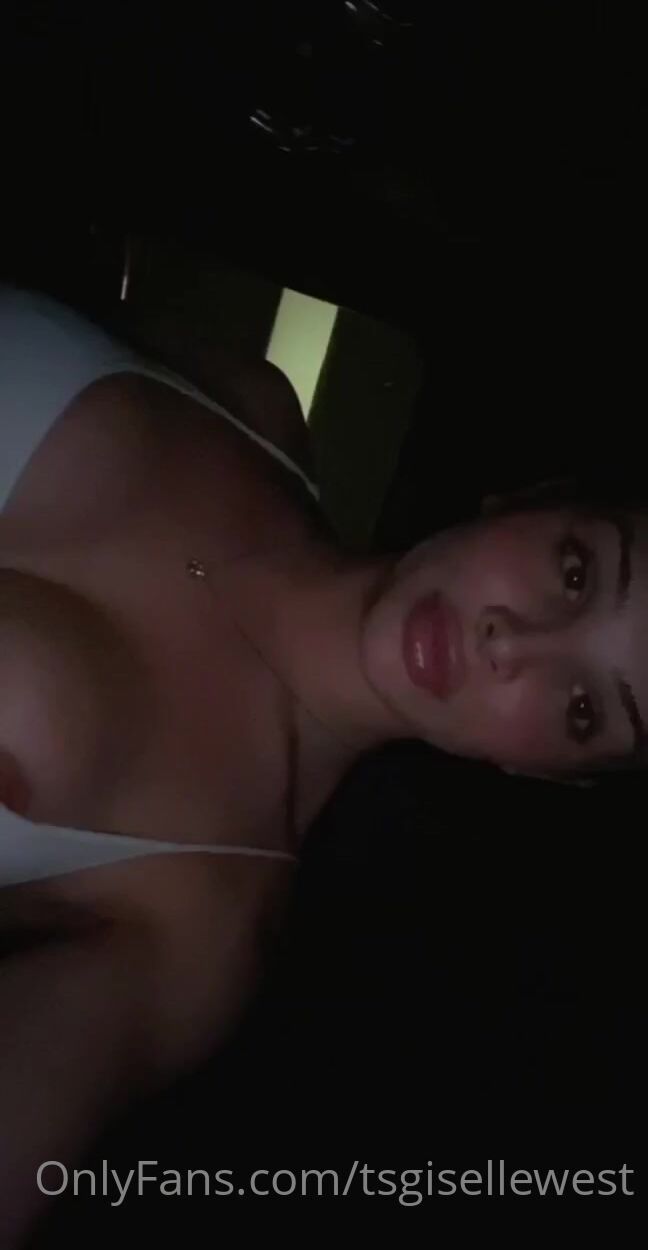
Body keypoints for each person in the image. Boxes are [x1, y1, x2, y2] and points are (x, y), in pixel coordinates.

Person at [0, 285, 645, 1242]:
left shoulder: (199, 925)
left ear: (542, 771)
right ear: (528, 501)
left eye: (584, 709)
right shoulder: (249, 399)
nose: (516, 642)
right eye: (577, 571)